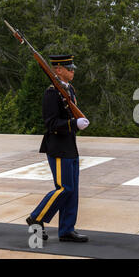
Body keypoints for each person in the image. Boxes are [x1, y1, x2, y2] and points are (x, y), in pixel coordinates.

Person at [26, 54, 90, 243]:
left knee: (72, 190)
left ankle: (67, 229)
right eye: (69, 68)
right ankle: (36, 217)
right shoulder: (52, 93)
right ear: (58, 70)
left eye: (72, 68)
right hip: (58, 147)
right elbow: (51, 123)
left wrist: (75, 124)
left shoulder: (68, 90)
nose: (73, 71)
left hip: (70, 146)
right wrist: (73, 123)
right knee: (64, 188)